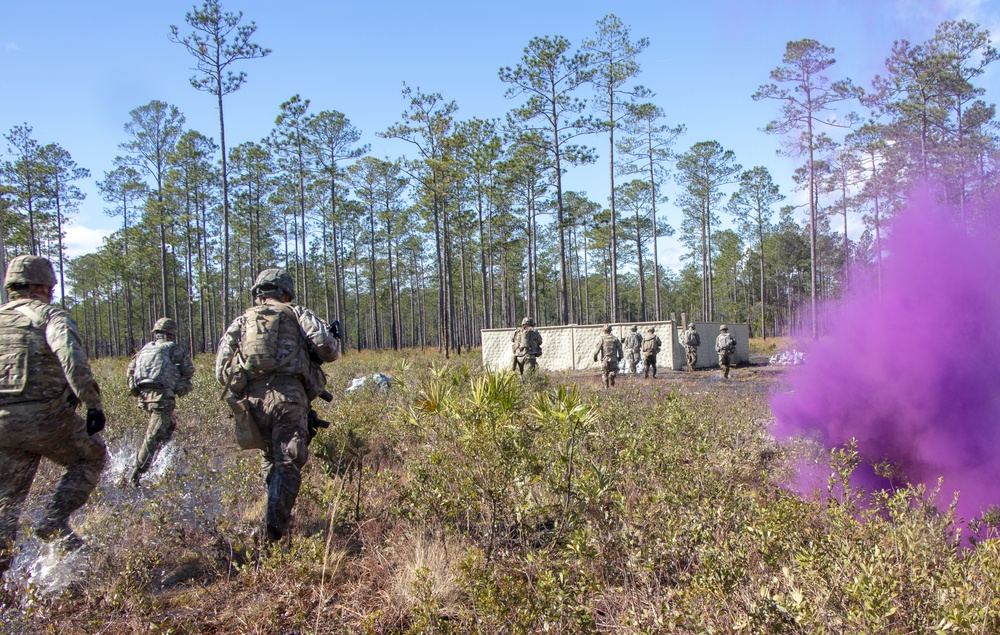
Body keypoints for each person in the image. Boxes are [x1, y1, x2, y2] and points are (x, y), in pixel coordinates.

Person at [0, 255, 107, 582]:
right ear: (44, 287)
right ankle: (53, 523)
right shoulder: (49, 316)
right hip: (45, 417)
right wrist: (92, 404)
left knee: (6, 504)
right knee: (92, 456)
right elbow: (71, 358)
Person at [216, 268, 339, 543]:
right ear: (285, 292)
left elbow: (221, 370)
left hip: (252, 401)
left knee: (271, 458)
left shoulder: (241, 322)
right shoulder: (297, 313)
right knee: (288, 460)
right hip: (288, 397)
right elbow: (327, 348)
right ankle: (270, 533)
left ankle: (273, 517)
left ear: (258, 294)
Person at [123, 317, 195, 487]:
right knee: (153, 437)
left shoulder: (144, 349)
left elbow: (130, 371)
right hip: (161, 398)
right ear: (172, 334)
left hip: (144, 397)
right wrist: (180, 384)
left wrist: (136, 390)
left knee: (168, 426)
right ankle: (136, 474)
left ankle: (159, 463)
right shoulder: (173, 349)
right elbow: (189, 369)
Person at [592, 325, 623, 389]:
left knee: (604, 373)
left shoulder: (601, 339)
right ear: (610, 330)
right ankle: (612, 375)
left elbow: (597, 349)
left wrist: (595, 357)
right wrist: (620, 357)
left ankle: (606, 387)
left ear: (604, 331)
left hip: (605, 359)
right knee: (615, 370)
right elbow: (620, 349)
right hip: (614, 359)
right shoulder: (615, 339)